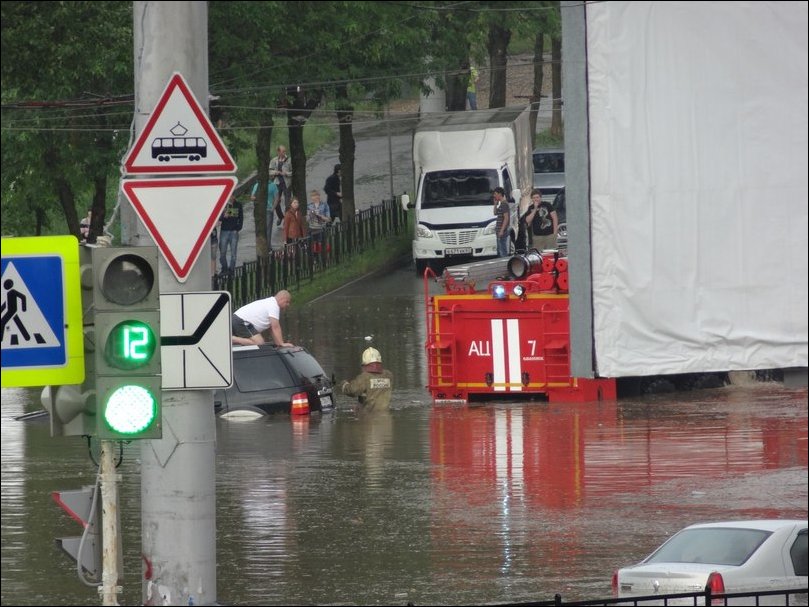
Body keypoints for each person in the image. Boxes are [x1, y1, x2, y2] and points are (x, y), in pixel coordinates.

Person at [340, 347, 393, 411]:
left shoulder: (365, 377)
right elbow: (375, 392)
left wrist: (344, 385)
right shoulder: (388, 375)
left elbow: (352, 390)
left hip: (368, 416)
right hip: (386, 415)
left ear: (365, 364)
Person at [218, 194, 243, 277]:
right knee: (222, 252)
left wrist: (238, 228)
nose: (230, 197)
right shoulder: (223, 205)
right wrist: (223, 215)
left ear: (234, 196)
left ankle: (231, 270)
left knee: (233, 253)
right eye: (229, 196)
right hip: (224, 231)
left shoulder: (238, 205)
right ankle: (224, 268)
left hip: (234, 232)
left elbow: (241, 218)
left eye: (232, 196)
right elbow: (219, 218)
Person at [251, 177, 280, 244]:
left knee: (268, 229)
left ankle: (268, 246)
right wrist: (257, 197)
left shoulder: (273, 185)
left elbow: (277, 198)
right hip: (259, 210)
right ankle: (261, 245)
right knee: (260, 229)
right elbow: (252, 197)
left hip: (268, 210)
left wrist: (273, 208)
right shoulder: (257, 185)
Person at [269, 145, 292, 226]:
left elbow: (293, 171)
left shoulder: (289, 160)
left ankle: (286, 220)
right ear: (278, 152)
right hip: (277, 183)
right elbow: (269, 171)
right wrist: (276, 172)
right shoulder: (274, 160)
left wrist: (286, 173)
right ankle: (280, 216)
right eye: (282, 151)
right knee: (276, 202)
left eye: (285, 151)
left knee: (287, 203)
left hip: (286, 183)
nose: (284, 153)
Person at [307, 189, 331, 254]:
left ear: (319, 196)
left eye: (316, 195)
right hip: (312, 229)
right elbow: (307, 219)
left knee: (322, 247)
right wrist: (311, 215)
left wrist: (320, 216)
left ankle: (324, 258)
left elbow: (328, 219)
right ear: (311, 197)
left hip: (321, 228)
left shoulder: (324, 205)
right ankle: (314, 258)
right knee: (313, 248)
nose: (315, 197)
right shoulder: (309, 206)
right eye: (313, 196)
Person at [492, 186, 510, 257]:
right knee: (500, 251)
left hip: (501, 232)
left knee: (502, 251)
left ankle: (504, 262)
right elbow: (495, 213)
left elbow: (506, 218)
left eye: (495, 194)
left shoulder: (504, 204)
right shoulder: (501, 205)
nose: (494, 196)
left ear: (500, 194)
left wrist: (502, 230)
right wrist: (495, 204)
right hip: (499, 231)